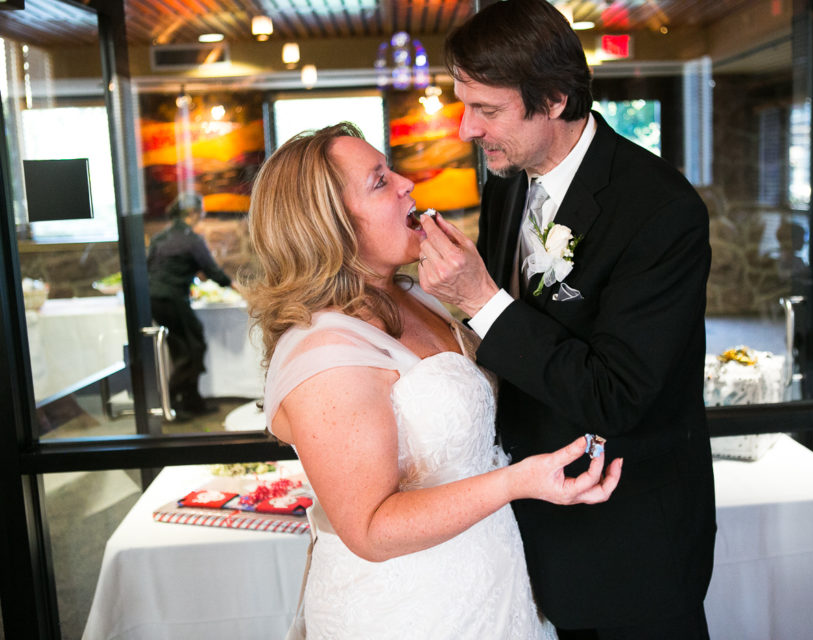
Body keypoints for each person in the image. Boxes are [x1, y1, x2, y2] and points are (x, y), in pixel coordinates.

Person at [243, 123, 622, 640]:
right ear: (327, 225)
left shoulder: (412, 294)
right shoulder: (324, 351)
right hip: (408, 608)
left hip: (489, 579)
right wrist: (517, 481)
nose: (406, 184)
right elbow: (372, 529)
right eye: (379, 181)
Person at [416, 0, 717, 637]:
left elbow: (619, 393)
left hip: (627, 540)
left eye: (487, 110)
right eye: (464, 104)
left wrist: (482, 301)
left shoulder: (659, 209)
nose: (467, 129)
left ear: (553, 99)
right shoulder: (506, 183)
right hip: (526, 521)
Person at [147, 194, 231, 418]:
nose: (202, 216)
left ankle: (192, 402)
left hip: (153, 299)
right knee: (193, 349)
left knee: (181, 350)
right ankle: (171, 402)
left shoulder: (159, 237)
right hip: (173, 299)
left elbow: (151, 268)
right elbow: (213, 272)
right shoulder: (192, 239)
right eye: (201, 212)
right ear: (192, 213)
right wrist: (237, 287)